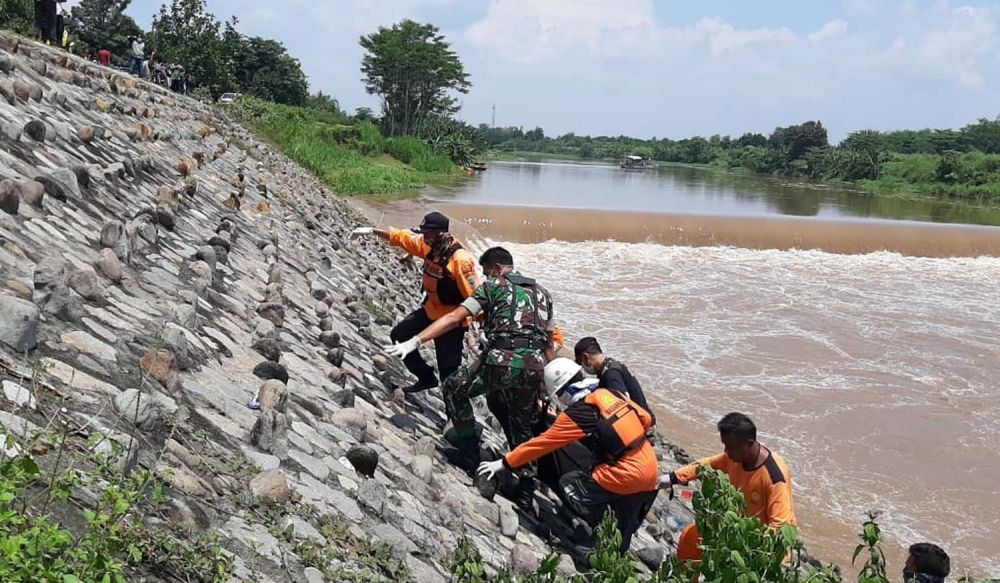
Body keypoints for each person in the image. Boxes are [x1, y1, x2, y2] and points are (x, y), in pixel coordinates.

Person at [385, 246, 554, 507]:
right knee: (522, 424)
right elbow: (549, 343)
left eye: (486, 272)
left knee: (454, 387)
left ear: (497, 269)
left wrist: (416, 341)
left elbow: (455, 316)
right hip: (535, 367)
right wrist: (548, 386)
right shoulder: (543, 294)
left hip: (501, 359)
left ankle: (471, 453)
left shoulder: (493, 287)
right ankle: (526, 487)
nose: (485, 277)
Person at [477, 358, 659, 551]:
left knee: (570, 485)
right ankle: (616, 548)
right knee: (620, 503)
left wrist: (503, 463)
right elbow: (646, 418)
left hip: (628, 474)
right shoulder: (609, 394)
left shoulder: (579, 412)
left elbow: (542, 444)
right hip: (649, 467)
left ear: (563, 392)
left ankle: (599, 527)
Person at [353, 212, 479, 393]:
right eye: (423, 233)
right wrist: (372, 231)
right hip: (431, 310)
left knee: (448, 370)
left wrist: (480, 326)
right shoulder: (428, 246)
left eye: (428, 233)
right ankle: (426, 378)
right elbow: (401, 238)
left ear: (441, 234)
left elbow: (476, 296)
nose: (423, 237)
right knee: (399, 334)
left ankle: (456, 418)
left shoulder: (460, 260)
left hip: (452, 320)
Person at [662, 412, 795, 561]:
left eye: (730, 447)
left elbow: (779, 525)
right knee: (690, 537)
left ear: (750, 444)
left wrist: (755, 554)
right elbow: (705, 465)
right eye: (725, 446)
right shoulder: (734, 457)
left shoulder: (774, 478)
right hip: (737, 532)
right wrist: (672, 478)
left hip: (764, 548)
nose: (726, 452)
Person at [574, 337, 655, 424]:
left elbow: (621, 406)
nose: (582, 367)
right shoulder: (611, 365)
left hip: (640, 425)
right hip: (643, 418)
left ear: (586, 357)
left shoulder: (611, 375)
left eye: (580, 362)